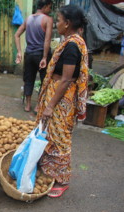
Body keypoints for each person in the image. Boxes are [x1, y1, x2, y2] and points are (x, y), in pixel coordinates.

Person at [36, 5, 88, 198]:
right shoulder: (71, 42)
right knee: (50, 135)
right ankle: (50, 173)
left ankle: (62, 180)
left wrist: (50, 106)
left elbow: (66, 79)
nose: (56, 23)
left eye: (58, 20)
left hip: (61, 98)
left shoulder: (72, 46)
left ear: (67, 24)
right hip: (57, 94)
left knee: (60, 139)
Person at [14, 0, 53, 112]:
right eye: (49, 7)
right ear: (45, 6)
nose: (50, 10)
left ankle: (28, 105)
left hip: (29, 54)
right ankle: (38, 106)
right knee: (44, 81)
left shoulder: (28, 19)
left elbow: (17, 35)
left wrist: (19, 52)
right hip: (41, 54)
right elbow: (47, 40)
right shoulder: (47, 20)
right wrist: (45, 57)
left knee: (29, 79)